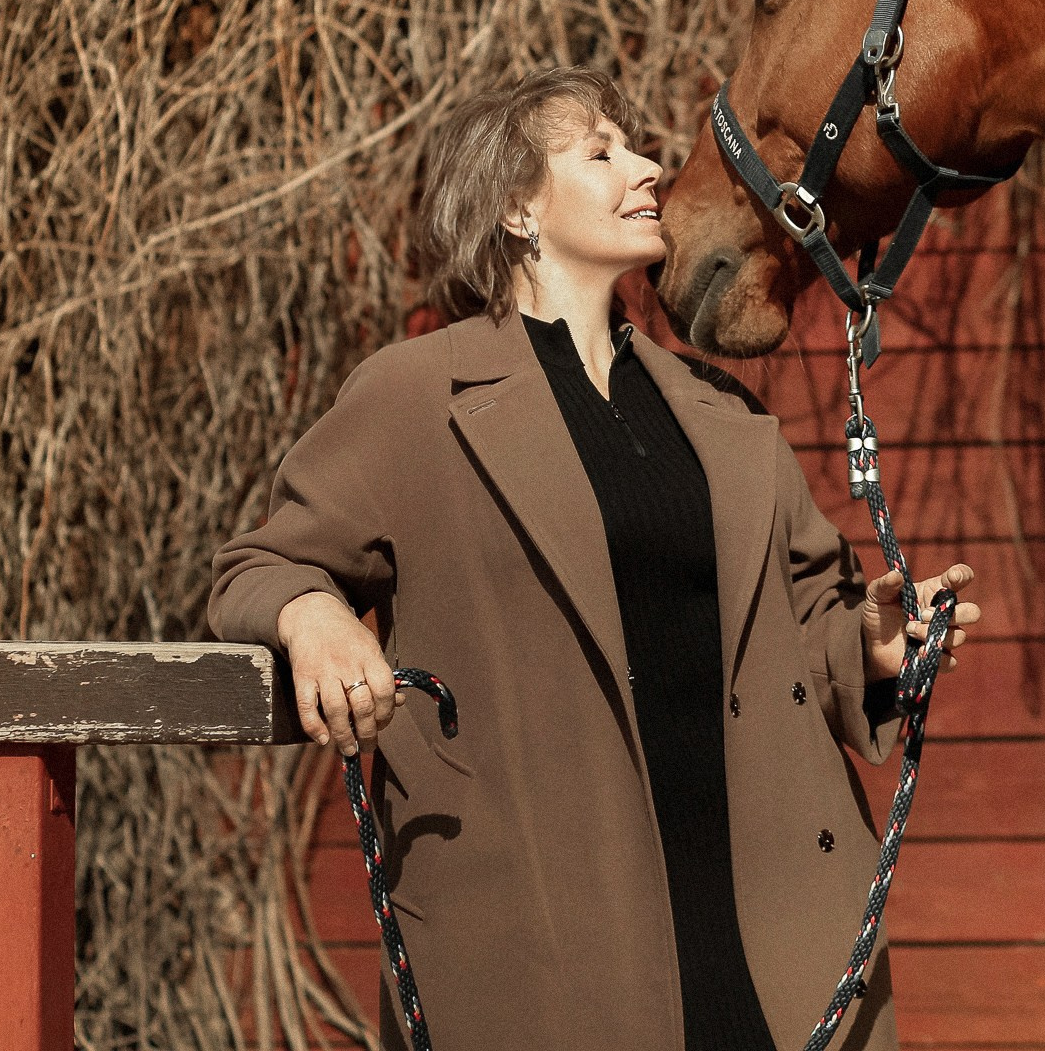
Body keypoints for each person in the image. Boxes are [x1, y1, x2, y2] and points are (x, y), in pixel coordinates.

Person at [207, 65, 981, 1051]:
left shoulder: (722, 413)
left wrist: (873, 642)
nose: (650, 167)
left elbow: (809, 616)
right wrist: (311, 616)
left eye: (635, 146)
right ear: (518, 210)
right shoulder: (416, 397)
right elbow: (259, 566)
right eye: (603, 151)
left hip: (766, 929)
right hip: (544, 941)